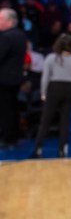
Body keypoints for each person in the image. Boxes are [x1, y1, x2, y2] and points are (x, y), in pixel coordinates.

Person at [30, 33, 71, 158]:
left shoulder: (50, 58)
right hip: (70, 89)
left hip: (54, 87)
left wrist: (43, 92)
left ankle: (38, 148)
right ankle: (62, 150)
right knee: (65, 121)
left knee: (46, 120)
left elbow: (45, 78)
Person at [0, 8, 29, 149]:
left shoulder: (6, 37)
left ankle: (7, 138)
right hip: (16, 78)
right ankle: (14, 136)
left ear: (9, 21)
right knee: (14, 108)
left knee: (5, 110)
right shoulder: (21, 35)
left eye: (1, 19)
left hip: (3, 79)